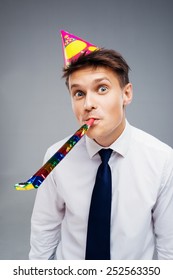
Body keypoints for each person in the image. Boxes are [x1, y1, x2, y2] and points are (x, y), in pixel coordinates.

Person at [29, 31, 173, 260]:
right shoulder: (56, 157)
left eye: (102, 89)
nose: (88, 104)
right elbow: (44, 229)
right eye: (78, 93)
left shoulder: (163, 160)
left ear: (126, 94)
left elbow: (169, 247)